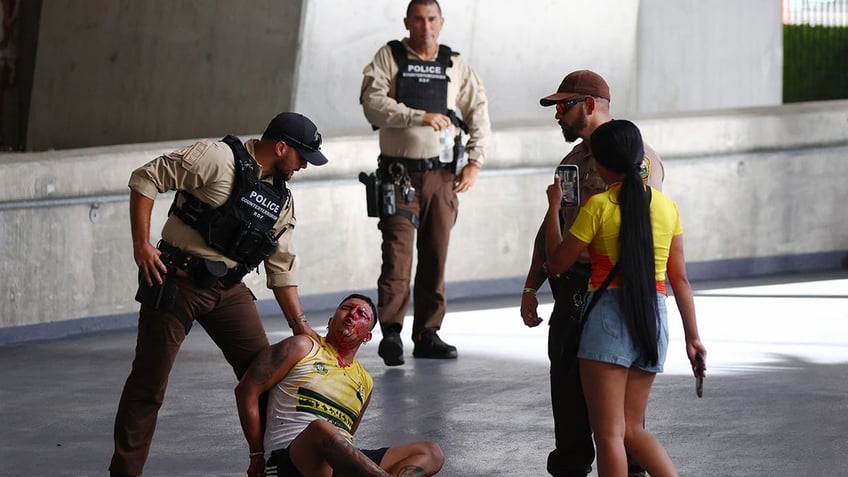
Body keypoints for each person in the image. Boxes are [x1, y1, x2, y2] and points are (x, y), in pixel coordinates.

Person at [109, 112, 328, 477]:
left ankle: (281, 467)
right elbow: (146, 177)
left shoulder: (280, 199)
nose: (304, 165)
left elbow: (281, 267)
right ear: (281, 146)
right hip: (175, 280)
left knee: (266, 377)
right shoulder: (217, 157)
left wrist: (300, 326)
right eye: (302, 156)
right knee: (148, 387)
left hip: (228, 290)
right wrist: (140, 246)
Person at [519, 70, 664, 477]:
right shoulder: (571, 163)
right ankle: (570, 467)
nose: (557, 116)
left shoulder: (637, 159)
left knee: (616, 401)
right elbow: (554, 228)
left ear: (589, 104)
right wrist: (533, 284)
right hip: (572, 289)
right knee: (565, 387)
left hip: (613, 289)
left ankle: (628, 469)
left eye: (563, 106)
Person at [544, 119, 707, 477]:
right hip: (654, 318)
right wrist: (693, 338)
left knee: (609, 435)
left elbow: (556, 263)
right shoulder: (667, 208)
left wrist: (554, 207)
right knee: (633, 430)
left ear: (600, 165)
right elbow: (679, 279)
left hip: (607, 322)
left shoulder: (598, 206)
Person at [360, 0, 491, 366]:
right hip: (398, 175)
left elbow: (479, 112)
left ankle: (428, 333)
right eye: (418, 19)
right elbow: (372, 103)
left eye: (432, 19)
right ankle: (391, 333)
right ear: (407, 22)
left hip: (442, 176)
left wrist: (475, 163)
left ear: (442, 22)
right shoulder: (390, 57)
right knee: (397, 255)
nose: (425, 26)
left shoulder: (455, 63)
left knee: (436, 254)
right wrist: (418, 117)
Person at [235, 294, 445, 477]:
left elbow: (347, 434)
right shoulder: (303, 346)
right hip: (290, 460)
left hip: (335, 465)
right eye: (346, 308)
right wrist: (256, 455)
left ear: (367, 337)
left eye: (361, 314)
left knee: (431, 452)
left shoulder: (365, 380)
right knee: (321, 428)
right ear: (330, 320)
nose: (352, 314)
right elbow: (246, 391)